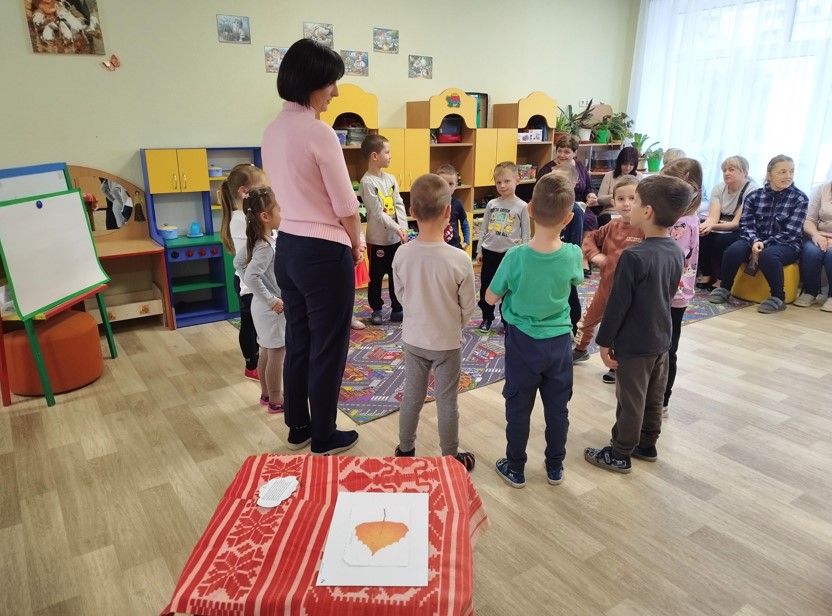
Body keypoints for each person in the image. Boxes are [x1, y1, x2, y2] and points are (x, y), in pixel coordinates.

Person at [263, 38, 361, 455]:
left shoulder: (272, 130)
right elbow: (346, 205)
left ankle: (298, 427)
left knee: (300, 341)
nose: (335, 92)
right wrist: (356, 243)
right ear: (311, 83)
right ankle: (324, 435)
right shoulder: (319, 133)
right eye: (330, 83)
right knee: (329, 348)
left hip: (288, 249)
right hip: (323, 252)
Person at [584, 175, 692, 474]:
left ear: (647, 211)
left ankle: (620, 452)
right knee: (654, 396)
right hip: (661, 339)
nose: (630, 206)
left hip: (634, 343)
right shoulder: (674, 250)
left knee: (630, 400)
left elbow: (617, 305)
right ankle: (647, 443)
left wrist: (604, 342)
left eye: (637, 201)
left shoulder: (633, 256)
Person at [485, 174, 583, 488]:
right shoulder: (573, 254)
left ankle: (515, 468)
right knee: (557, 408)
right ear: (568, 218)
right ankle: (555, 467)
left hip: (522, 343)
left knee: (518, 407)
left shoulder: (515, 256)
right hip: (559, 343)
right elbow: (575, 281)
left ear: (529, 210)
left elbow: (490, 298)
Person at [391, 174, 477, 470]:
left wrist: (418, 312)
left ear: (412, 212)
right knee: (447, 400)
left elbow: (400, 294)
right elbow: (468, 305)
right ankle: (451, 456)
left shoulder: (402, 253)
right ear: (448, 212)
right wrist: (454, 324)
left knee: (412, 396)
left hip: (414, 339)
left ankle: (405, 449)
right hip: (447, 342)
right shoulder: (459, 259)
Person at [709, 155, 809, 314]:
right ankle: (725, 287)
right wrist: (755, 241)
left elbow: (791, 232)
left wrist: (763, 245)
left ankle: (778, 297)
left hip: (786, 244)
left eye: (791, 171)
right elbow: (746, 225)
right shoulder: (754, 196)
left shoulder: (800, 198)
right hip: (754, 240)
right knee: (733, 250)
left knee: (768, 255)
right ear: (769, 175)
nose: (788, 176)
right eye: (782, 172)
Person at [572, 175, 644, 386]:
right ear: (613, 202)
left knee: (619, 328)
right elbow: (589, 239)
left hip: (629, 293)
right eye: (621, 199)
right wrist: (595, 255)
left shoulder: (644, 229)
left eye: (632, 198)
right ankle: (580, 349)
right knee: (587, 319)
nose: (627, 204)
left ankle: (615, 365)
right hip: (605, 286)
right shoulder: (612, 226)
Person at [234, 188, 286, 416]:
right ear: (265, 216)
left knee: (266, 349)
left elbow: (238, 264)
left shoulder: (258, 240)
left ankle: (266, 394)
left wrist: (261, 293)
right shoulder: (265, 246)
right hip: (271, 308)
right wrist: (271, 299)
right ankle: (276, 398)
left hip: (261, 305)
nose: (282, 213)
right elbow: (252, 275)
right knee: (277, 352)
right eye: (279, 209)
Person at [659, 158, 702, 417]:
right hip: (670, 291)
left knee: (668, 348)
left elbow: (672, 256)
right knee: (664, 344)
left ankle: (663, 398)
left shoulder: (684, 221)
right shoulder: (682, 217)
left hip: (672, 293)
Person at [220, 163, 267, 382]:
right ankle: (251, 365)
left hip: (258, 281)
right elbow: (246, 258)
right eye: (261, 189)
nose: (265, 193)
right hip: (248, 284)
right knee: (249, 324)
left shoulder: (250, 216)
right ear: (243, 191)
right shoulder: (240, 220)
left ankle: (262, 358)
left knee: (259, 323)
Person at [359, 134, 409, 326]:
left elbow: (399, 204)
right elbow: (377, 212)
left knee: (396, 274)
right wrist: (397, 228)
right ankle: (377, 309)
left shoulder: (391, 178)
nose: (390, 156)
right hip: (377, 240)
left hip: (394, 239)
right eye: (387, 152)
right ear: (374, 156)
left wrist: (403, 227)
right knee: (376, 277)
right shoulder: (367, 182)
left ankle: (397, 308)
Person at [476, 161, 530, 332]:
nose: (502, 185)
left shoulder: (522, 206)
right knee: (487, 286)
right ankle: (487, 317)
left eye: (507, 181)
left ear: (517, 180)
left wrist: (525, 255)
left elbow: (526, 233)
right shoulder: (492, 204)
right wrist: (479, 249)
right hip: (489, 251)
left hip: (510, 254)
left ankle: (507, 319)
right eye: (498, 182)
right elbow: (483, 229)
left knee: (508, 288)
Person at [697, 156, 759, 289]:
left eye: (731, 169)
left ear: (744, 172)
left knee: (722, 240)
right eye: (724, 170)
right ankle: (707, 274)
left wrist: (712, 226)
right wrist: (705, 226)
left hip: (743, 228)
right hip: (721, 223)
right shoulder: (718, 188)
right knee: (702, 235)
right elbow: (713, 217)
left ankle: (721, 279)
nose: (726, 173)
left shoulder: (752, 190)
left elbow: (736, 223)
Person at [548, 163, 584, 335]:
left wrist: (571, 263)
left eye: (559, 181)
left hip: (565, 261)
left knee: (570, 296)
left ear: (573, 184)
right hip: (550, 258)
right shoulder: (551, 207)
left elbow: (575, 243)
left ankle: (576, 330)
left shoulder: (575, 211)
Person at [793, 180, 832, 311]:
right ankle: (810, 292)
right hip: (819, 235)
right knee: (810, 251)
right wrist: (816, 235)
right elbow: (809, 219)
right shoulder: (822, 189)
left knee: (831, 255)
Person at [538, 134, 597, 205]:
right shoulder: (547, 170)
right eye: (559, 151)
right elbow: (541, 193)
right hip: (556, 207)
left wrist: (591, 195)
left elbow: (589, 187)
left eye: (566, 152)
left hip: (580, 205)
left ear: (575, 153)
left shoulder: (580, 166)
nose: (562, 155)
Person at [596, 146, 642, 226]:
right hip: (610, 212)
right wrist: (618, 196)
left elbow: (642, 199)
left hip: (632, 213)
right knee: (606, 222)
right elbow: (600, 199)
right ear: (619, 163)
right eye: (625, 164)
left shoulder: (639, 176)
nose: (628, 168)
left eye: (631, 164)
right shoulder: (609, 175)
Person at [436, 164, 470, 250]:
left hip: (455, 247)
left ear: (456, 186)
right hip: (437, 247)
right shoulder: (432, 204)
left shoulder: (458, 204)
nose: (447, 187)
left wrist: (466, 241)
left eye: (451, 184)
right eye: (443, 183)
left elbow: (464, 223)